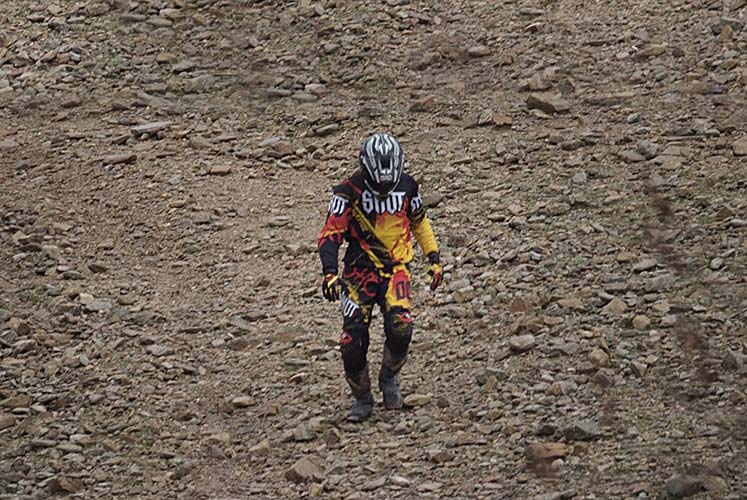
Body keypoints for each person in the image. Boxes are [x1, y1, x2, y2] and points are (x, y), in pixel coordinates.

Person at [317, 133, 443, 422]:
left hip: (397, 269)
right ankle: (362, 398)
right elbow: (331, 234)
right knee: (351, 341)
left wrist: (434, 258)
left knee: (401, 329)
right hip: (358, 273)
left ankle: (389, 378)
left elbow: (419, 221)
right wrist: (329, 273)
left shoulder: (408, 187)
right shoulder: (347, 192)